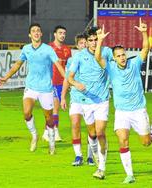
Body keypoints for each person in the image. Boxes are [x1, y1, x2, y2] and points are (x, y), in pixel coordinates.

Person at [94, 20, 152, 184]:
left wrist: (143, 32)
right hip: (121, 112)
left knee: (146, 142)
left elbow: (146, 49)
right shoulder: (110, 67)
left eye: (123, 54)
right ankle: (130, 175)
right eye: (118, 56)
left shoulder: (134, 63)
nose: (122, 58)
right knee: (122, 140)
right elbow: (97, 57)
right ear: (113, 58)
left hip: (138, 110)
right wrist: (99, 40)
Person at [0, 23, 65, 154]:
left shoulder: (48, 49)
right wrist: (6, 77)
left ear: (41, 34)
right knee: (27, 112)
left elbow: (58, 65)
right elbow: (18, 64)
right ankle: (34, 135)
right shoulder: (26, 49)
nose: (36, 33)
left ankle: (52, 142)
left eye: (38, 31)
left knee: (49, 118)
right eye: (33, 31)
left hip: (46, 88)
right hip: (31, 87)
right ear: (30, 35)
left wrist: (68, 79)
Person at [68, 27, 113, 179]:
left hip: (102, 100)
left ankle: (101, 168)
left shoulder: (106, 52)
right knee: (92, 134)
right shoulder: (79, 56)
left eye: (96, 40)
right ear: (86, 43)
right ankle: (95, 155)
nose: (94, 43)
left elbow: (115, 67)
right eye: (91, 40)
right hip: (85, 101)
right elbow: (70, 77)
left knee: (100, 132)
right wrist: (76, 83)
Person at [61, 33, 95, 166]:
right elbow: (67, 79)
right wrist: (63, 97)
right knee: (75, 124)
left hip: (90, 99)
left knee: (90, 128)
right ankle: (78, 155)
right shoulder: (72, 60)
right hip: (76, 98)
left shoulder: (95, 58)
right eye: (81, 43)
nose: (84, 45)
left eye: (85, 42)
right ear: (77, 46)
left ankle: (90, 156)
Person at [42, 25, 71, 142]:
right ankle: (55, 132)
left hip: (62, 82)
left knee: (55, 109)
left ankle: (46, 132)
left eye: (64, 33)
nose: (62, 35)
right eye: (60, 33)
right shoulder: (48, 48)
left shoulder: (67, 49)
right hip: (51, 82)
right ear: (55, 34)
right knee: (55, 107)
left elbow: (68, 67)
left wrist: (69, 81)